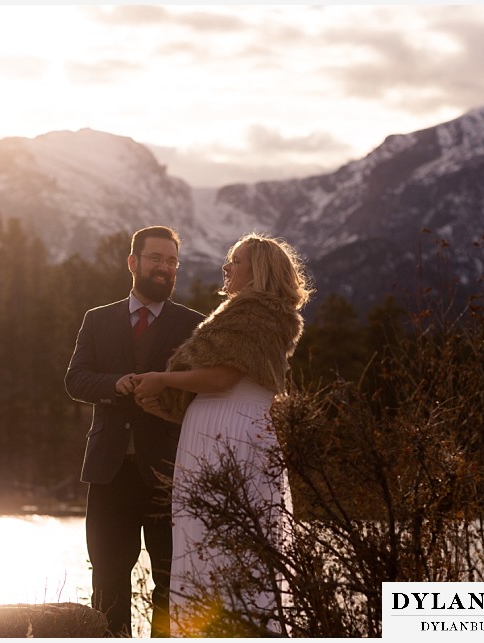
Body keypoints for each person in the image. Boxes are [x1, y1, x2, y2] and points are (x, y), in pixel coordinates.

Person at [131, 232, 312, 637]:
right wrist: (171, 410)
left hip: (231, 437)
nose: (227, 267)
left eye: (236, 260)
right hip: (224, 430)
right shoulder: (252, 313)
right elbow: (225, 393)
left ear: (258, 271)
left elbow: (225, 377)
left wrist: (162, 379)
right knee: (215, 537)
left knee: (222, 541)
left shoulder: (255, 313)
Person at [65, 226, 205, 637]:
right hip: (109, 472)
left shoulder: (195, 325)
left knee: (171, 579)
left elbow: (201, 392)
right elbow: (75, 380)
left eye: (172, 261)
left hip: (169, 474)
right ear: (133, 263)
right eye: (156, 259)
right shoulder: (98, 320)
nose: (165, 268)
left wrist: (165, 398)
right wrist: (115, 384)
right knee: (107, 581)